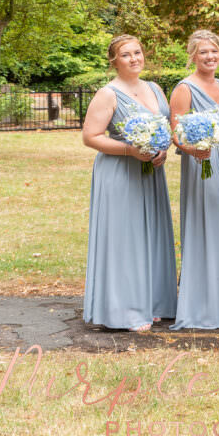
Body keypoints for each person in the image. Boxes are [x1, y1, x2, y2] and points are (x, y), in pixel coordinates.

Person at [81, 34, 175, 331]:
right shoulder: (108, 93)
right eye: (126, 55)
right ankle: (126, 310)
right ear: (114, 61)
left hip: (150, 173)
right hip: (120, 172)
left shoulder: (155, 88)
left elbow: (165, 129)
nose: (134, 58)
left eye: (137, 52)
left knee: (150, 233)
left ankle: (152, 301)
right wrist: (130, 150)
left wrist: (162, 150)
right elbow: (90, 137)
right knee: (126, 237)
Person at [170, 30, 219, 329]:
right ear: (193, 56)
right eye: (203, 53)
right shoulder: (184, 88)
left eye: (214, 52)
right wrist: (196, 150)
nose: (210, 57)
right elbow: (176, 133)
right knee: (206, 224)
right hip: (202, 162)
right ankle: (202, 299)